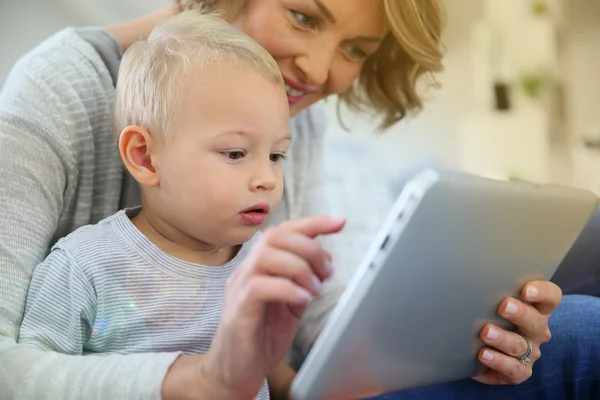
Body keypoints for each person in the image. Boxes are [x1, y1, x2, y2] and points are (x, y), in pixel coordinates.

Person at [0, 1, 598, 399]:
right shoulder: (58, 95)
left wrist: (456, 332)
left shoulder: (289, 109)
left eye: (357, 49)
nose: (317, 70)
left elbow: (308, 338)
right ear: (143, 154)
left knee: (575, 312)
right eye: (304, 16)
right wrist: (204, 380)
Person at [16, 11, 344, 400]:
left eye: (276, 155)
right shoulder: (84, 267)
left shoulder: (259, 262)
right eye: (236, 153)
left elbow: (262, 361)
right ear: (145, 158)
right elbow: (31, 382)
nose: (268, 179)